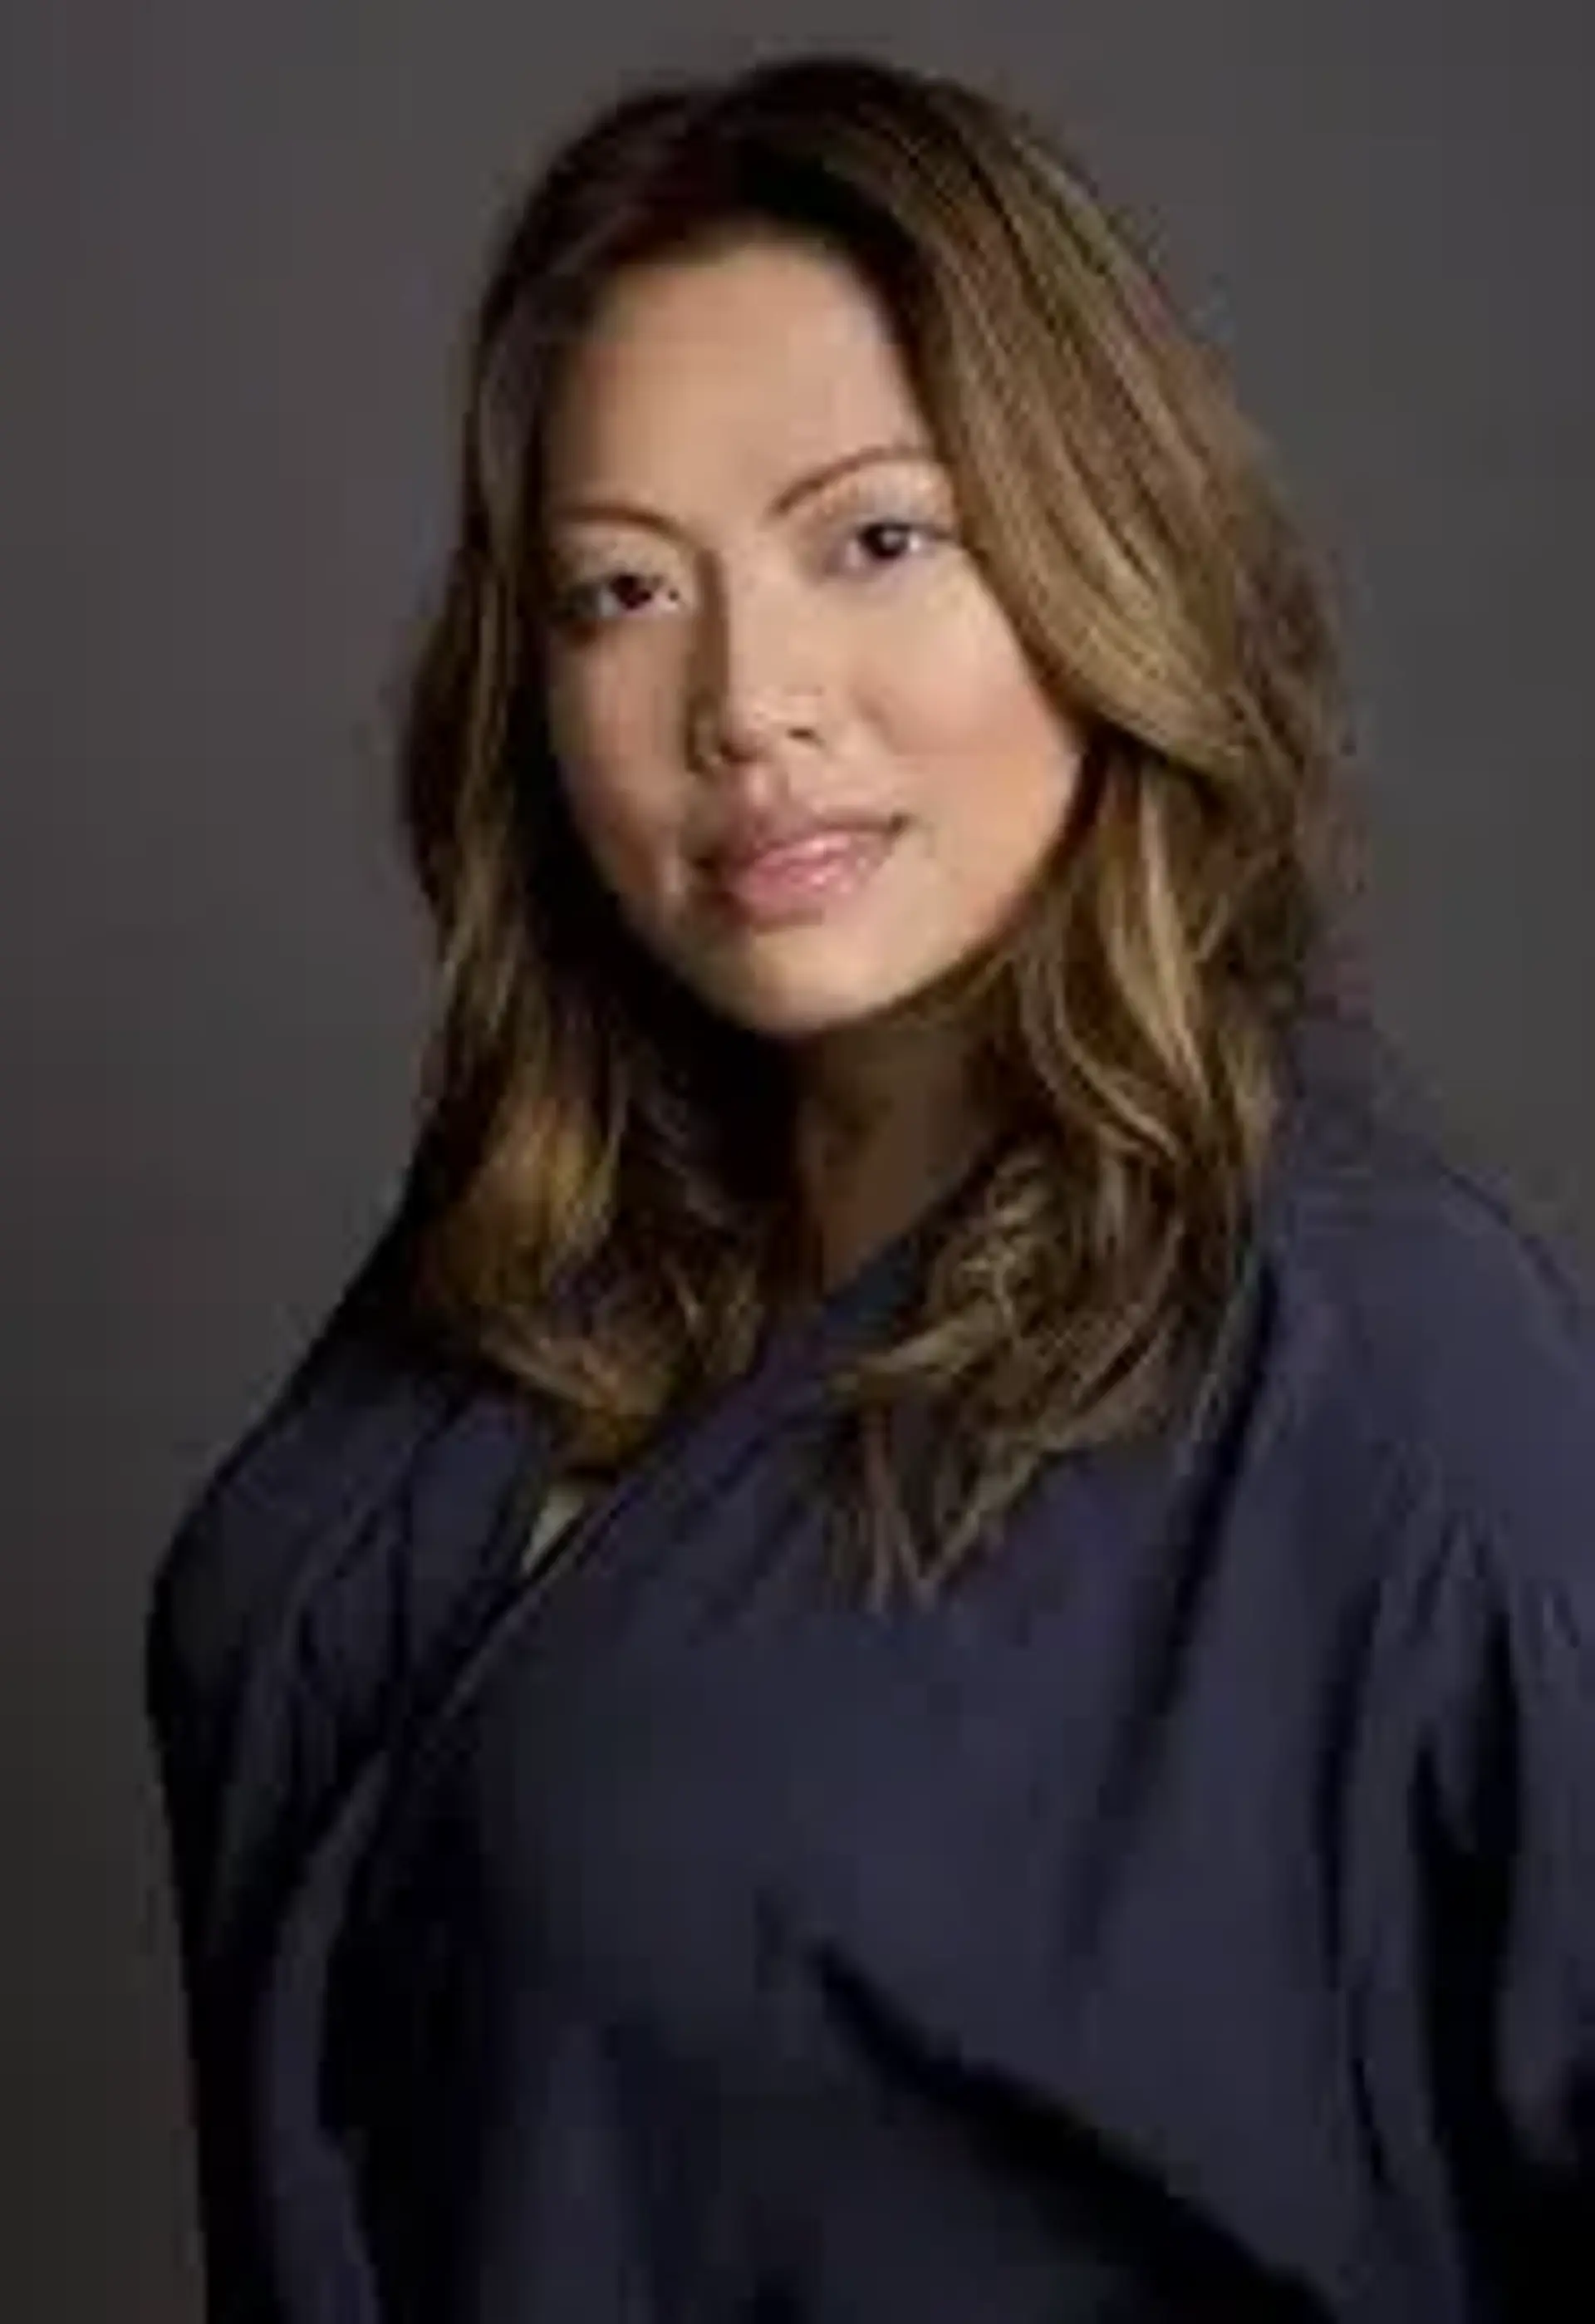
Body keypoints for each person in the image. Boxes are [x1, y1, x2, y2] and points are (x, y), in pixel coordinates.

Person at [145, 48, 1595, 2324]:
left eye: (878, 541)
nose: (747, 702)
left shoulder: (1390, 1368)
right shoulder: (545, 1248)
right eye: (622, 591)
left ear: (1103, 556)